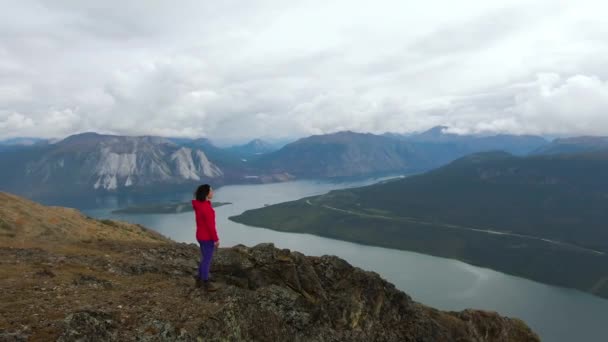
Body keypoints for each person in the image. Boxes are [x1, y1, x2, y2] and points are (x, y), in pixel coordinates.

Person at [192, 184, 219, 292]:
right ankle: (205, 282)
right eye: (211, 191)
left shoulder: (199, 204)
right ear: (206, 193)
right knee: (207, 260)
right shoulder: (206, 208)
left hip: (200, 235)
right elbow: (211, 226)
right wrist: (216, 239)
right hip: (207, 237)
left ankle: (199, 279)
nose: (213, 193)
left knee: (204, 258)